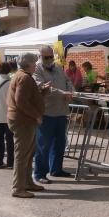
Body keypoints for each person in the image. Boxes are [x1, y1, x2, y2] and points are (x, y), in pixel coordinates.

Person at [8, 52, 47, 198]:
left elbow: (27, 98)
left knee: (28, 154)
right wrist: (36, 115)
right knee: (22, 155)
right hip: (23, 121)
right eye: (34, 63)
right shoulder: (24, 77)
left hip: (23, 120)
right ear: (29, 64)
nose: (36, 65)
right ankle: (18, 188)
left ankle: (27, 182)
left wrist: (42, 91)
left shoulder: (21, 75)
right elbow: (21, 101)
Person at [32, 45, 73, 183]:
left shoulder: (59, 67)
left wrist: (70, 91)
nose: (50, 60)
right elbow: (42, 86)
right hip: (46, 113)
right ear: (40, 57)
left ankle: (56, 169)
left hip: (61, 111)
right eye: (46, 57)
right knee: (43, 145)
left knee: (60, 143)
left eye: (51, 57)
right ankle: (40, 174)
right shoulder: (36, 69)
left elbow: (68, 81)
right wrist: (63, 93)